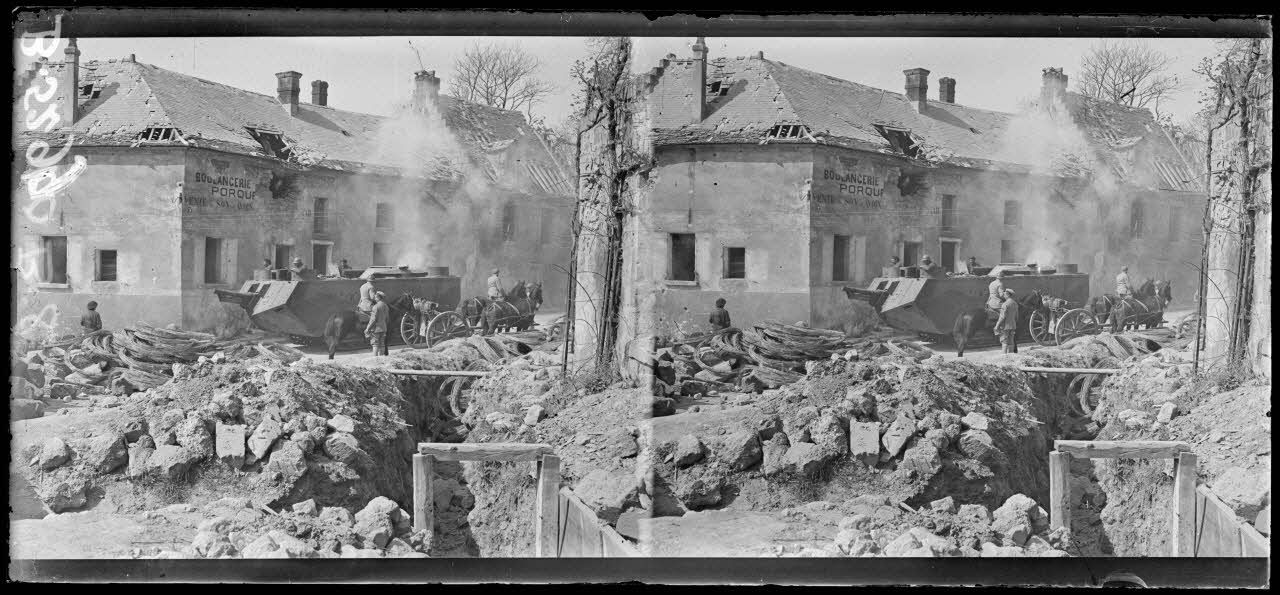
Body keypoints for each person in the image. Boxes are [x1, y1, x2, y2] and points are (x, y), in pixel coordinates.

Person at [995, 288, 1019, 354]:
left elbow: (1002, 317)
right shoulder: (1015, 304)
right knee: (1011, 341)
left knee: (1004, 341)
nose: (1004, 296)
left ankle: (1004, 357)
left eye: (1005, 294)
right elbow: (1017, 317)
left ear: (1008, 295)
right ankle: (1011, 356)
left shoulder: (1005, 304)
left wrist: (997, 325)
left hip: (1005, 326)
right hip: (1013, 325)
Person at [365, 291, 389, 356]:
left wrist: (368, 328)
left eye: (375, 297)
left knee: (375, 344)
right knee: (382, 344)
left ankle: (375, 359)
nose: (375, 299)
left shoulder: (376, 307)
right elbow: (387, 318)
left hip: (376, 329)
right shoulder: (386, 306)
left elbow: (373, 319)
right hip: (383, 328)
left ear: (378, 298)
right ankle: (381, 359)